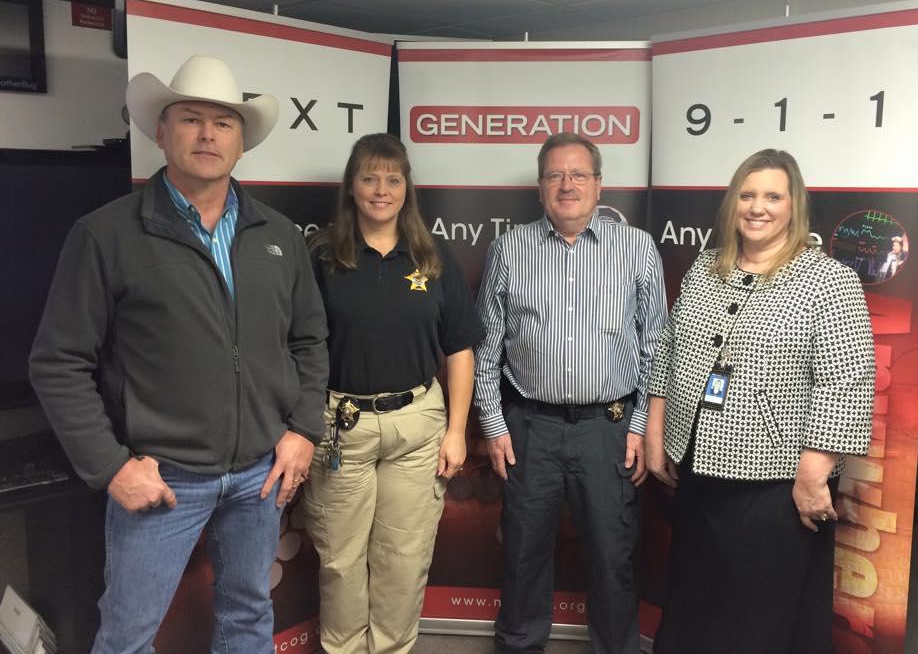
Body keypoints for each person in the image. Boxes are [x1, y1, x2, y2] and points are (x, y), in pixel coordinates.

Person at [28, 55, 329, 654]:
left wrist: (303, 430)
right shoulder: (106, 235)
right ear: (161, 132)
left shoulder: (279, 236)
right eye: (190, 119)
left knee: (248, 616)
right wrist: (111, 467)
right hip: (163, 478)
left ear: (243, 142)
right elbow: (58, 361)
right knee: (128, 633)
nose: (208, 134)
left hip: (258, 475)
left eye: (223, 123)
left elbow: (309, 340)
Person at [645, 149, 875, 653]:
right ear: (732, 203)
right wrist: (655, 434)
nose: (758, 207)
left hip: (775, 484)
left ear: (794, 206)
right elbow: (667, 351)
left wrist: (814, 477)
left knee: (760, 615)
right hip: (699, 471)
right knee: (693, 598)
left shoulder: (827, 279)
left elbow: (847, 383)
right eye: (747, 195)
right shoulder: (708, 267)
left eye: (772, 196)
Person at [474, 132, 667, 654]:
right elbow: (488, 347)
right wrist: (494, 426)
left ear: (599, 185)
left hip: (608, 430)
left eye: (579, 174)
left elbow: (657, 343)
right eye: (555, 174)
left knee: (612, 557)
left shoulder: (636, 248)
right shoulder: (508, 249)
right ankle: (518, 645)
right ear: (539, 187)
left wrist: (639, 427)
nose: (567, 185)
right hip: (529, 429)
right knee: (522, 554)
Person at [302, 133, 484, 654]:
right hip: (340, 426)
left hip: (417, 427)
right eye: (369, 178)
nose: (381, 190)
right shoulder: (320, 255)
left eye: (392, 179)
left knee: (402, 561)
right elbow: (298, 346)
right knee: (340, 560)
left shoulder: (431, 255)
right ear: (351, 186)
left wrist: (455, 431)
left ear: (407, 188)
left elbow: (459, 350)